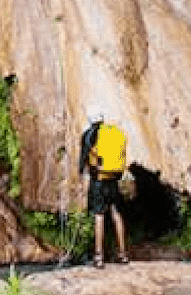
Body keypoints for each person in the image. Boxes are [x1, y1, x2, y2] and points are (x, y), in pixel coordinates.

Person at [78, 107, 130, 266]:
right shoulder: (114, 132)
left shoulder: (90, 134)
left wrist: (83, 170)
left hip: (99, 180)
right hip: (113, 180)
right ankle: (122, 254)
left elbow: (84, 159)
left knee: (99, 215)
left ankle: (99, 257)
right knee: (116, 213)